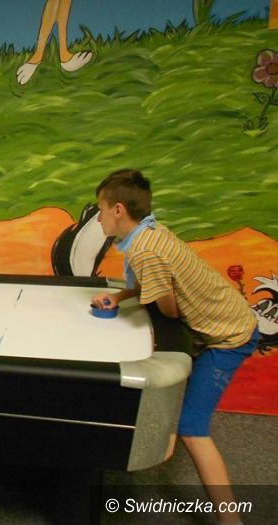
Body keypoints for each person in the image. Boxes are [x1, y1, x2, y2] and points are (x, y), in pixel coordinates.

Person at [90, 169, 258, 525]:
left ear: (118, 210)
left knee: (194, 429)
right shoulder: (146, 232)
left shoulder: (145, 250)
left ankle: (231, 520)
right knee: (183, 403)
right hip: (223, 323)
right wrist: (120, 296)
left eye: (101, 210)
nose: (99, 217)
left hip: (229, 338)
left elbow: (169, 309)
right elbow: (154, 283)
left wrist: (150, 311)